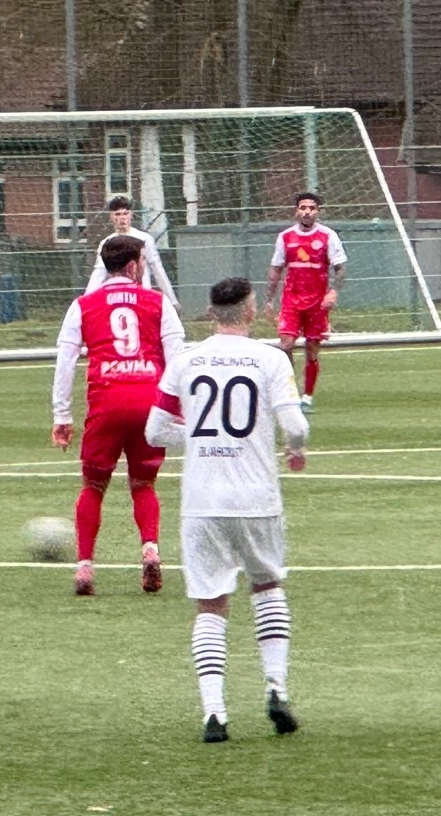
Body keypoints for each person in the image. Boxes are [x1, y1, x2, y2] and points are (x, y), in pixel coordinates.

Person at [146, 276, 309, 743]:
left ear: (211, 313)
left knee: (211, 603)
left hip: (203, 501)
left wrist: (201, 437)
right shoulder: (270, 359)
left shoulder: (185, 361)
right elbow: (296, 425)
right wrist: (295, 449)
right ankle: (276, 688)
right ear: (251, 310)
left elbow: (155, 431)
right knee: (267, 584)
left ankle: (214, 713)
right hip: (256, 497)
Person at [51, 234, 186, 596]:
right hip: (149, 405)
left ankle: (84, 567)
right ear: (132, 266)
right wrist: (177, 408)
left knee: (93, 486)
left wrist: (62, 415)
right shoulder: (157, 302)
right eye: (141, 261)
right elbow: (177, 358)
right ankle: (150, 549)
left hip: (106, 403)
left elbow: (65, 361)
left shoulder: (83, 305)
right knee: (143, 484)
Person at [264, 192, 347, 413]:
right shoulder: (285, 237)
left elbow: (340, 268)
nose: (307, 212)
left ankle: (307, 396)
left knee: (311, 349)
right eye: (303, 207)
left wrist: (333, 292)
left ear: (318, 212)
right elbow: (276, 268)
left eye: (311, 208)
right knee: (286, 345)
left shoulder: (328, 236)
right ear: (296, 211)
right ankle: (289, 392)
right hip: (291, 301)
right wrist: (269, 300)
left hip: (317, 303)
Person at [83, 195, 179, 307]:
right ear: (111, 217)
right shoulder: (107, 243)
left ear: (131, 215)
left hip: (142, 295)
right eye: (118, 214)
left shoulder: (144, 239)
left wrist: (172, 300)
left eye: (125, 213)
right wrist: (86, 301)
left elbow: (157, 269)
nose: (122, 218)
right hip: (118, 296)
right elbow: (99, 273)